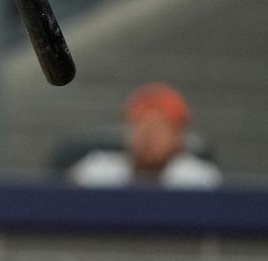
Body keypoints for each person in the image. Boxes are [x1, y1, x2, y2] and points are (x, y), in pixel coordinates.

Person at [69, 81, 222, 188]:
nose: (148, 137)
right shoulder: (95, 173)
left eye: (160, 128)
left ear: (178, 136)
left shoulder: (201, 180)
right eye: (139, 126)